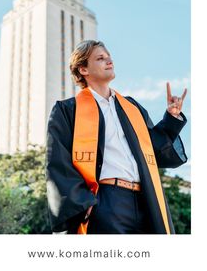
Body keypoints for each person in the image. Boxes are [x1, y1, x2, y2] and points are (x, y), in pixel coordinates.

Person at [46, 40, 188, 234]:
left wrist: (171, 118)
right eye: (100, 58)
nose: (109, 61)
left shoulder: (131, 108)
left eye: (109, 56)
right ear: (83, 70)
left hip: (146, 199)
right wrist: (83, 202)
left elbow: (155, 149)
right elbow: (58, 161)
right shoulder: (67, 110)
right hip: (106, 202)